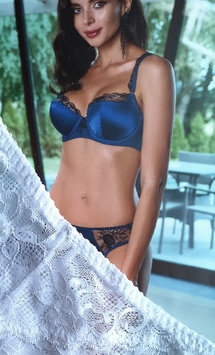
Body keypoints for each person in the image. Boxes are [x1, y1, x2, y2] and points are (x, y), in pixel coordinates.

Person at [49, 0, 175, 294]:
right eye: (77, 9)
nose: (87, 19)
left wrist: (129, 271)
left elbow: (154, 183)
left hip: (116, 242)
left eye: (98, 4)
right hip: (56, 231)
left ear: (126, 4)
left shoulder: (152, 70)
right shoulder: (78, 72)